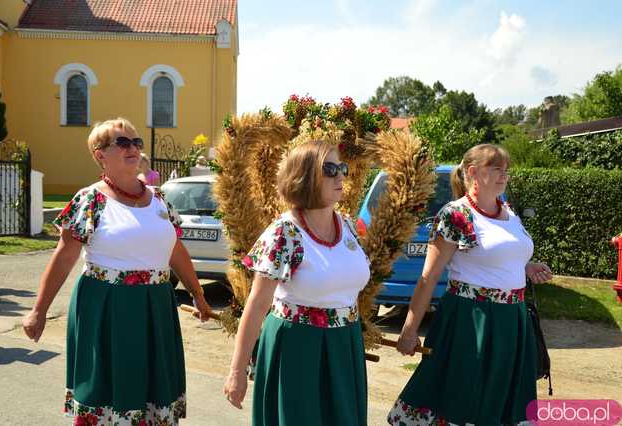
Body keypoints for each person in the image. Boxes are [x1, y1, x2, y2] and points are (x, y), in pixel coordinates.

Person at [22, 117, 213, 425]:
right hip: (107, 309)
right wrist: (38, 310)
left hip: (157, 306)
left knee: (153, 388)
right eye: (122, 143)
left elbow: (175, 250)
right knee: (111, 391)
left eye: (136, 142)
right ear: (100, 154)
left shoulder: (160, 198)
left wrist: (198, 294)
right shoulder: (90, 200)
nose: (133, 148)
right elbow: (63, 256)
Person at [387, 144, 553, 425]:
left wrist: (526, 267)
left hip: (512, 321)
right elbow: (429, 277)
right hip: (471, 321)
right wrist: (409, 330)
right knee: (463, 397)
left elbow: (499, 256)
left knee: (502, 400)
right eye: (496, 169)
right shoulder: (455, 215)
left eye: (506, 170)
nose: (504, 175)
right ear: (474, 172)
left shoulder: (509, 212)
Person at [223, 140, 371, 425]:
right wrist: (237, 371)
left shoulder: (349, 227)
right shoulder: (285, 232)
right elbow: (256, 304)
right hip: (297, 348)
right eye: (329, 169)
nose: (340, 175)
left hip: (344, 346)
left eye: (342, 167)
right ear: (304, 176)